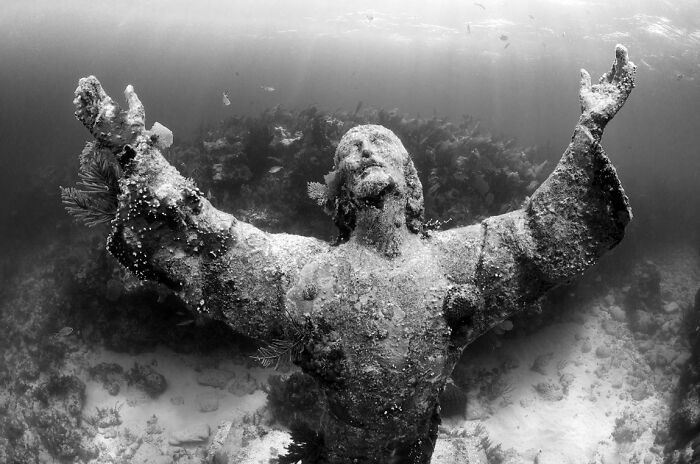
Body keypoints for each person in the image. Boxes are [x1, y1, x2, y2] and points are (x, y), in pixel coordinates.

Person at [70, 45, 635, 463]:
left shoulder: (460, 264)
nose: (363, 151)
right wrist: (131, 152)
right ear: (338, 189)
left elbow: (539, 235)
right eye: (351, 149)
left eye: (378, 144)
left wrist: (589, 128)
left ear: (410, 182)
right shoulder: (306, 272)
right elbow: (213, 240)